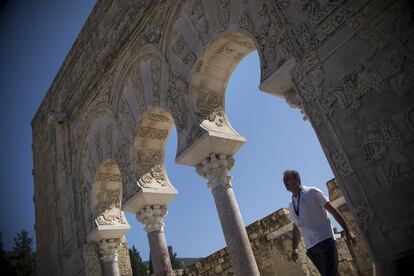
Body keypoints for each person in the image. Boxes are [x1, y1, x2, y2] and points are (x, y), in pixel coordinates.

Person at [283, 170, 356, 276]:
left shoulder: (312, 192)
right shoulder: (291, 205)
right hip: (311, 248)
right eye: (284, 181)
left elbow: (332, 210)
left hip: (325, 240)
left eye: (288, 179)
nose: (285, 183)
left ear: (297, 179)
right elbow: (296, 227)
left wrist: (348, 231)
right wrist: (294, 248)